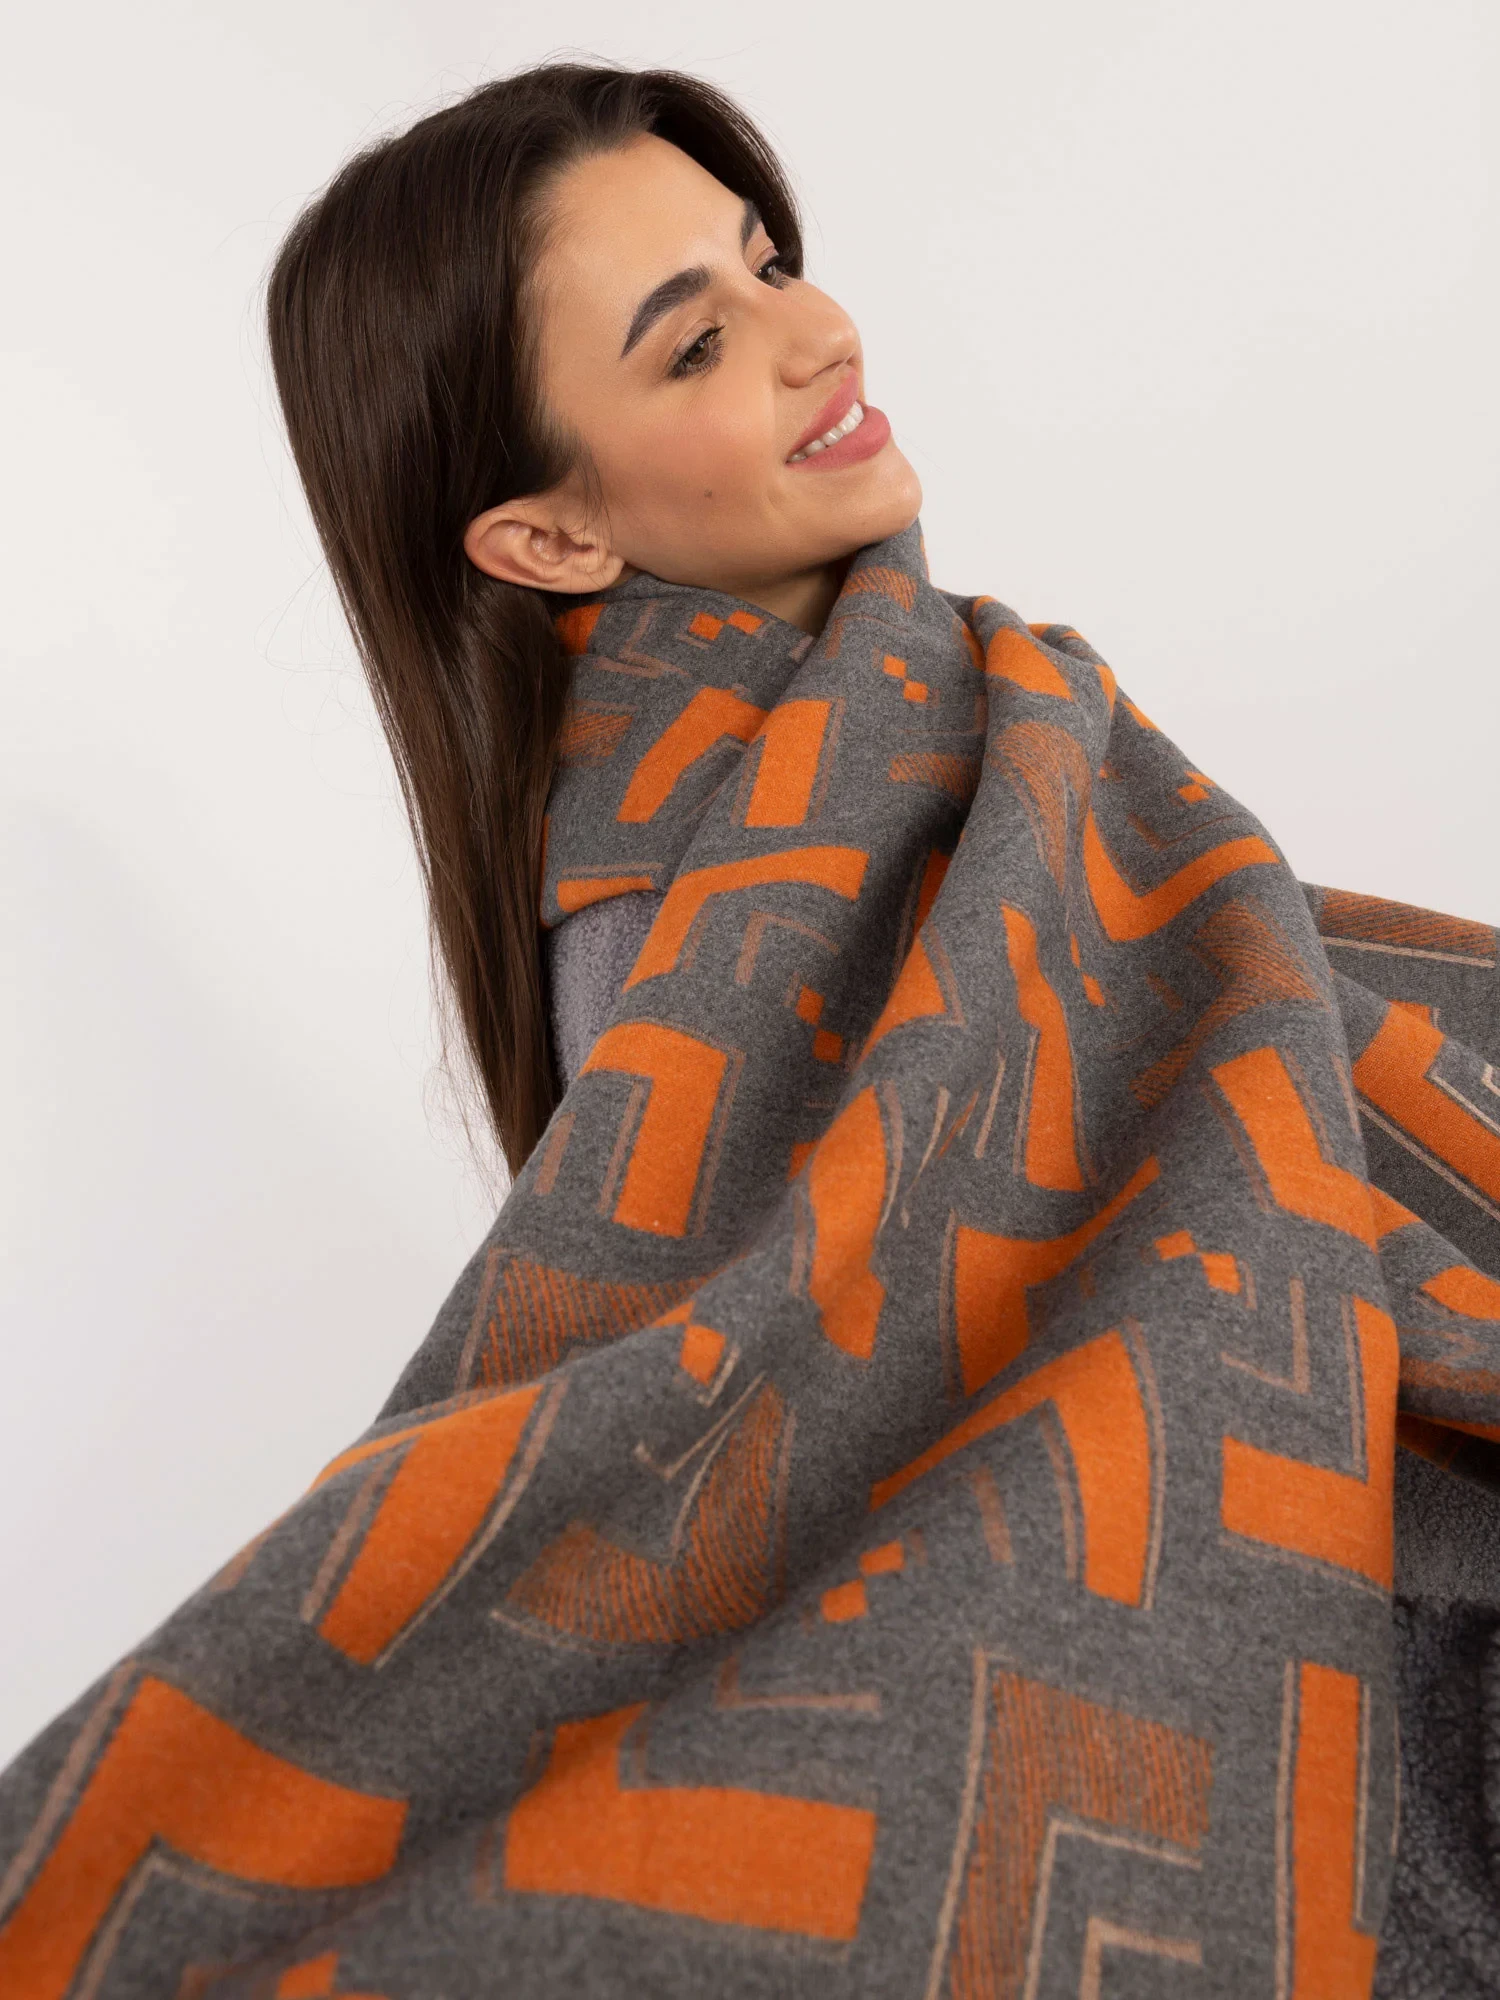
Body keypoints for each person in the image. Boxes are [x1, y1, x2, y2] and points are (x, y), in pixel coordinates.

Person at [2, 60, 1498, 1997]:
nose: (817, 332)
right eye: (695, 340)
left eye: (768, 261)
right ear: (549, 538)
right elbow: (819, 1479)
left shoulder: (954, 719)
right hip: (1356, 1688)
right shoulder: (689, 935)